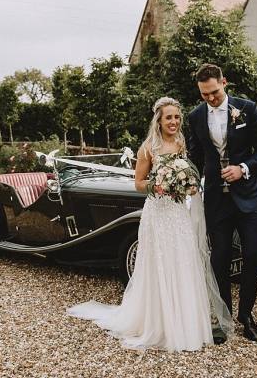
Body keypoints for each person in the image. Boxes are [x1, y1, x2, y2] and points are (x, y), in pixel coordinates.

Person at [67, 96, 233, 352]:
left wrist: (185, 184)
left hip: (178, 214)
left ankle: (186, 323)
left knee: (183, 261)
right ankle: (160, 324)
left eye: (177, 117)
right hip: (157, 214)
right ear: (159, 120)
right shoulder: (148, 147)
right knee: (160, 265)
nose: (174, 122)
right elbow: (138, 183)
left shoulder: (180, 142)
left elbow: (183, 173)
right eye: (169, 117)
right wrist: (158, 185)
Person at [188, 63, 257, 342]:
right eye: (204, 95)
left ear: (224, 82)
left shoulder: (247, 109)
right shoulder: (196, 116)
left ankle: (246, 314)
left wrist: (244, 168)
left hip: (249, 196)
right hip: (216, 198)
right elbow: (196, 155)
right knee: (219, 258)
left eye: (214, 92)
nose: (210, 99)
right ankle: (224, 318)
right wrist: (185, 176)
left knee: (252, 256)